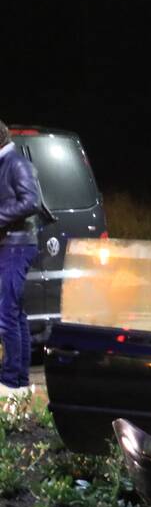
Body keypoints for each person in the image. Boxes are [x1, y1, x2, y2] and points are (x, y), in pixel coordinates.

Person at [0, 120, 42, 397]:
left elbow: (32, 201)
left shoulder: (16, 163)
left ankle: (11, 381)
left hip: (18, 245)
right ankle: (20, 380)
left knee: (6, 314)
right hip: (11, 244)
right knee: (15, 314)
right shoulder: (6, 163)